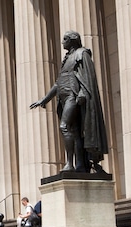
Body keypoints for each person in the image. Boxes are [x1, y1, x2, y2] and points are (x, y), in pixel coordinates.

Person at [30, 30, 109, 174]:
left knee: (64, 126)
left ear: (72, 40)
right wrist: (44, 99)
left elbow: (88, 78)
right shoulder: (67, 59)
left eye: (65, 39)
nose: (62, 42)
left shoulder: (82, 54)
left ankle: (69, 164)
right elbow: (58, 83)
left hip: (74, 96)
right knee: (76, 132)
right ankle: (79, 164)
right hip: (64, 97)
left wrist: (83, 93)